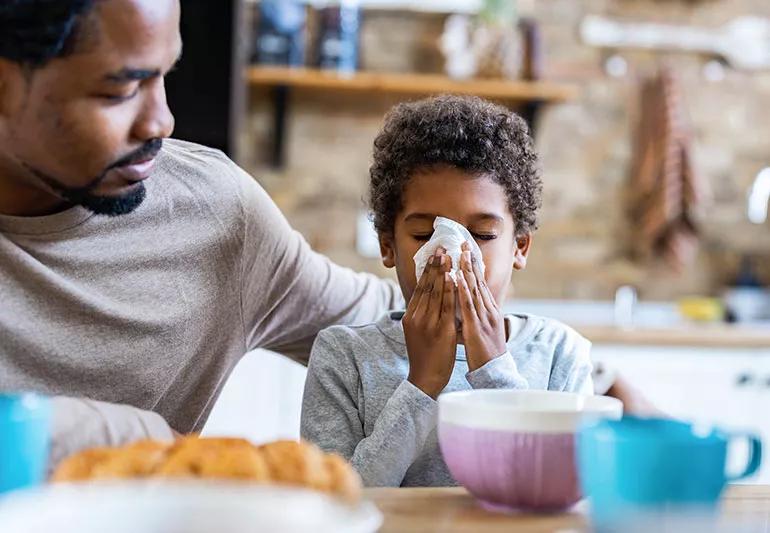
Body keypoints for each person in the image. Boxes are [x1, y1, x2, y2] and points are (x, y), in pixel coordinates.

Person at [0, 0, 401, 467]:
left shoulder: (217, 216)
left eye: (163, 74)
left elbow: (399, 328)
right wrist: (140, 435)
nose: (160, 122)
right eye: (121, 90)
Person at [300, 95, 594, 487]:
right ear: (388, 245)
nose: (453, 258)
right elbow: (334, 506)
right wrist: (421, 385)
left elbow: (559, 490)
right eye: (424, 234)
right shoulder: (343, 358)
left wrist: (495, 372)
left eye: (483, 235)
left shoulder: (559, 355)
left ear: (519, 247)